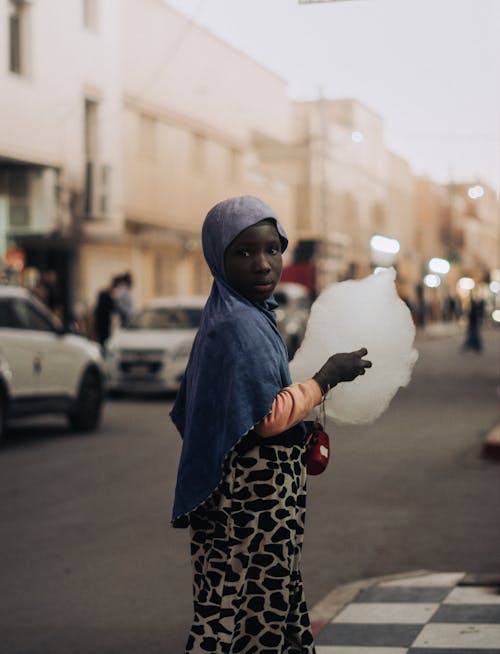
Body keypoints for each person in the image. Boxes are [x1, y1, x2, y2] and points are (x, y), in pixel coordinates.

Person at [170, 195, 372, 654]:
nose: (263, 264)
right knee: (247, 612)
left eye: (272, 250)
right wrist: (326, 379)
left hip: (246, 498)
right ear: (217, 258)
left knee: (261, 603)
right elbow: (267, 417)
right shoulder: (239, 323)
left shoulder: (235, 313)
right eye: (243, 253)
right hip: (251, 502)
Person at [93, 275, 121, 346]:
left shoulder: (103, 292)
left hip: (101, 321)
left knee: (102, 339)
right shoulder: (108, 295)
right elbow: (113, 308)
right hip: (104, 321)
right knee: (104, 340)